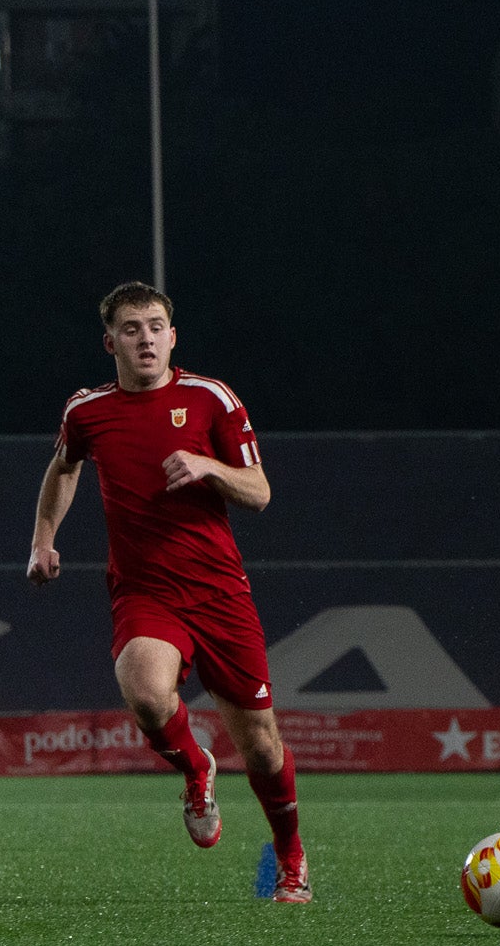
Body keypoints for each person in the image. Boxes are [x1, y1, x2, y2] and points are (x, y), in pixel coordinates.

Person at [28, 280, 311, 903]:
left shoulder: (211, 399)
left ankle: (291, 857)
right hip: (144, 591)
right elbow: (64, 466)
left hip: (219, 593)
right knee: (146, 693)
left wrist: (209, 466)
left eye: (156, 325)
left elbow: (260, 492)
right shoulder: (87, 412)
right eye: (132, 329)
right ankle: (196, 768)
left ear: (172, 336)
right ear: (111, 343)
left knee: (262, 746)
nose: (146, 338)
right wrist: (43, 539)